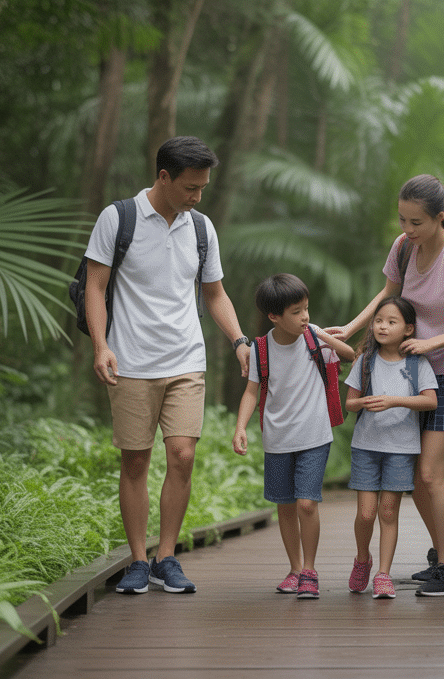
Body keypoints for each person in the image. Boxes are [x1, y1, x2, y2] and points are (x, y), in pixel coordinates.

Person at [85, 136, 252, 595]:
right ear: (163, 177)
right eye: (190, 187)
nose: (198, 196)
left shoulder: (201, 228)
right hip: (132, 360)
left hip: (185, 359)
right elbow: (95, 287)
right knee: (136, 460)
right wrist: (101, 346)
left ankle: (167, 557)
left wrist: (238, 339)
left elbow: (215, 293)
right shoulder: (118, 218)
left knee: (182, 455)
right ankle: (138, 560)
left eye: (203, 188)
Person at [327, 174, 444, 597]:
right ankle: (441, 558)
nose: (407, 230)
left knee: (431, 474)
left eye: (416, 222)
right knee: (417, 477)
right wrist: (350, 327)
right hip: (405, 372)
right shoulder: (403, 249)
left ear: (440, 217)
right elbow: (388, 292)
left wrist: (431, 342)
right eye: (402, 220)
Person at [232, 274, 355, 600]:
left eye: (307, 309)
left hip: (314, 436)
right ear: (274, 316)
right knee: (284, 507)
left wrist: (321, 336)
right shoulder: (260, 349)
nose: (306, 317)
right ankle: (295, 569)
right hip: (277, 439)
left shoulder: (314, 340)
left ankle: (310, 571)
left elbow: (350, 354)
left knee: (305, 504)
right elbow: (251, 392)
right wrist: (240, 427)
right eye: (297, 312)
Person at [343, 296, 438, 600]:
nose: (383, 326)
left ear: (408, 329)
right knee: (366, 514)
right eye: (379, 320)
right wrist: (366, 403)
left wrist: (394, 401)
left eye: (391, 321)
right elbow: (349, 403)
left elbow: (430, 400)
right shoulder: (365, 361)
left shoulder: (417, 363)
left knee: (388, 511)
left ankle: (383, 574)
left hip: (402, 447)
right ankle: (362, 559)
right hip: (366, 446)